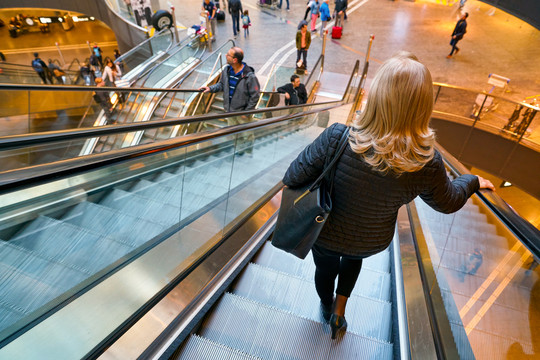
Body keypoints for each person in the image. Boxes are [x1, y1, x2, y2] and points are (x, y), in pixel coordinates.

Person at [281, 52, 495, 340]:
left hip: (326, 232)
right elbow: (448, 202)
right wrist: (471, 181)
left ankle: (326, 305)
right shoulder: (426, 163)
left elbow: (292, 177)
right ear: (422, 107)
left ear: (377, 95)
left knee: (326, 268)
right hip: (370, 239)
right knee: (353, 259)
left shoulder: (337, 137)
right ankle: (341, 309)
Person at [200, 47, 260, 112]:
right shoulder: (226, 70)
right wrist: (210, 88)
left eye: (228, 55)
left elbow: (255, 96)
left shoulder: (249, 77)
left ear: (235, 60)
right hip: (229, 111)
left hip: (242, 114)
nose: (226, 55)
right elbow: (222, 84)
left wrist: (247, 112)